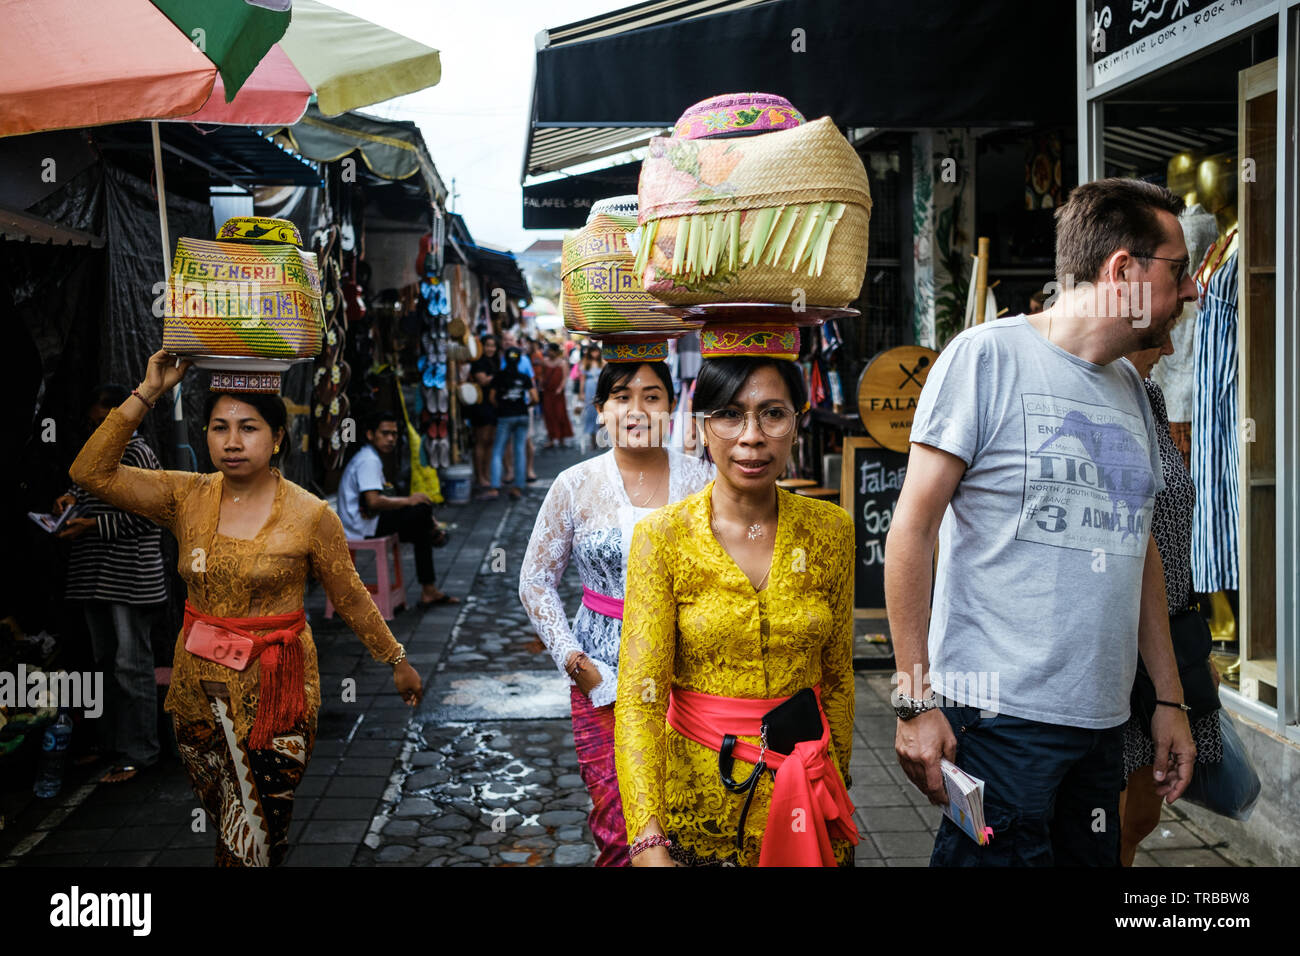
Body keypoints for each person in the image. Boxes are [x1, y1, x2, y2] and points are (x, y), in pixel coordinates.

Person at [886, 177, 1199, 867]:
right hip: (997, 724)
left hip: (1101, 725)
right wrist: (913, 704)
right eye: (1179, 271)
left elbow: (1137, 544)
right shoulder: (986, 358)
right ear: (1124, 270)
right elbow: (910, 529)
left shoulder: (1131, 389)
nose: (1194, 291)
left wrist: (1168, 701)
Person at [69, 351, 422, 866]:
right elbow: (89, 470)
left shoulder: (311, 513)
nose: (232, 442)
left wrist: (396, 660)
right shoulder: (184, 495)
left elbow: (348, 595)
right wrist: (148, 391)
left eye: (249, 428)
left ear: (277, 437)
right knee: (246, 833)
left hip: (276, 698)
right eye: (219, 428)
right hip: (197, 699)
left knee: (249, 838)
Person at [615, 348, 858, 866]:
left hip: (810, 797)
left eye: (773, 413)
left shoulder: (831, 531)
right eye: (728, 414)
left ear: (798, 423)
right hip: (698, 808)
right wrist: (646, 834)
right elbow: (640, 699)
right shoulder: (662, 539)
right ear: (702, 428)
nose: (751, 436)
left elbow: (837, 678)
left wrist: (838, 777)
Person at [520, 352, 713, 866]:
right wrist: (574, 661)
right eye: (622, 397)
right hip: (603, 683)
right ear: (601, 410)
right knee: (619, 827)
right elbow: (536, 581)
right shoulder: (574, 486)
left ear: (672, 408)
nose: (637, 409)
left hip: (691, 682)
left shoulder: (704, 483)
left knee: (688, 825)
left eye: (652, 397)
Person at [1118, 333, 1223, 866]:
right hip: (1119, 647)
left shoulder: (1151, 398)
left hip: (1169, 637)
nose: (1171, 351)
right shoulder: (1101, 397)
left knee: (1140, 818)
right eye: (1161, 336)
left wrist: (1184, 661)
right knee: (1108, 821)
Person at [54, 384, 168, 783]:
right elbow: (80, 490)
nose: (99, 429)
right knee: (103, 663)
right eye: (95, 424)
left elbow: (154, 512)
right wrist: (69, 503)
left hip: (129, 577)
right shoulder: (94, 454)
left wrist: (94, 524)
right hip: (93, 574)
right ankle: (110, 745)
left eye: (105, 422)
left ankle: (140, 753)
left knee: (130, 665)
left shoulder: (138, 453)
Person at [337, 410, 458, 608]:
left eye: (393, 434)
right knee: (420, 509)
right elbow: (374, 502)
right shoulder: (369, 460)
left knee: (421, 527)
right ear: (370, 435)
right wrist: (409, 501)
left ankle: (429, 589)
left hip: (367, 521)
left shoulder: (370, 456)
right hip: (361, 526)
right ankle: (435, 533)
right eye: (385, 433)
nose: (391, 439)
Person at [484, 347, 537, 501]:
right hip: (522, 415)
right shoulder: (524, 377)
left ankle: (494, 487)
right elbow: (535, 398)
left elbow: (492, 398)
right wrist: (525, 406)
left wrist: (501, 405)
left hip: (505, 416)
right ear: (519, 359)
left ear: (505, 359)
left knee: (498, 451)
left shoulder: (499, 377)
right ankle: (518, 487)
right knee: (519, 450)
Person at [467, 335, 499, 493]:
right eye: (488, 345)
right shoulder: (479, 362)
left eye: (493, 346)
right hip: (481, 405)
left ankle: (486, 474)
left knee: (490, 441)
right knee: (481, 440)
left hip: (493, 406)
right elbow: (482, 381)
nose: (491, 349)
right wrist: (498, 377)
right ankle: (480, 476)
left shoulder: (496, 361)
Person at [538, 342, 574, 450]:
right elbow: (542, 375)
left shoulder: (562, 363)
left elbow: (564, 377)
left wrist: (560, 388)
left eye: (549, 350)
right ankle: (552, 438)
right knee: (549, 415)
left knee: (560, 415)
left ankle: (562, 438)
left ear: (554, 351)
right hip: (547, 393)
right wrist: (541, 385)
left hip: (558, 394)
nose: (547, 352)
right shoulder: (544, 362)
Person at [580, 347, 604, 452]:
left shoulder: (603, 362)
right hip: (589, 388)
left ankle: (602, 441)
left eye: (596, 351)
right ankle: (593, 441)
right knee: (590, 416)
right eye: (593, 351)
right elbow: (582, 379)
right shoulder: (586, 363)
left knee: (602, 415)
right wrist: (581, 393)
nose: (595, 353)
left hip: (600, 388)